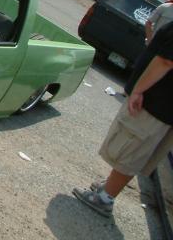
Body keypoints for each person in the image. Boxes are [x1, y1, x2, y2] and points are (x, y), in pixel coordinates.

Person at [72, 20, 173, 217]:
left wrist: (139, 89)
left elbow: (166, 61)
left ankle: (105, 198)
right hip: (163, 106)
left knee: (130, 150)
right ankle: (109, 188)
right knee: (136, 151)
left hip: (155, 102)